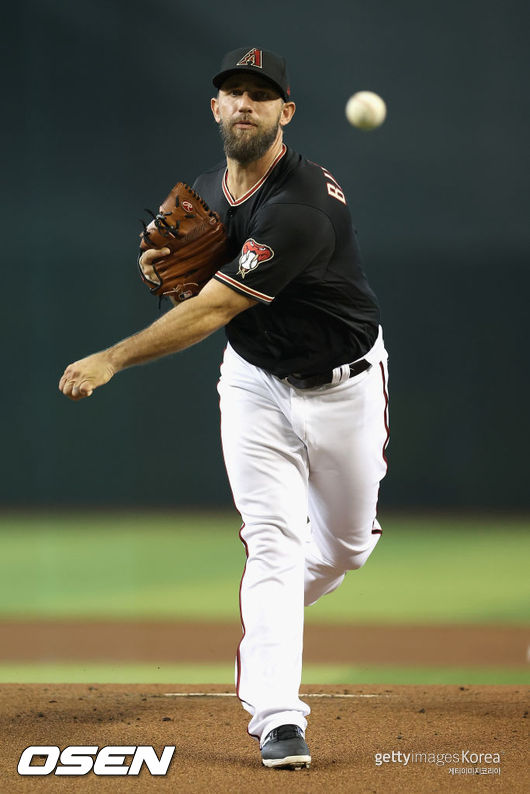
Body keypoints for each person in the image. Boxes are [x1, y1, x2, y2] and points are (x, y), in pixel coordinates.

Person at [59, 47, 390, 770]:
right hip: (253, 383)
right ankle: (278, 716)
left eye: (261, 95)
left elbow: (212, 308)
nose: (245, 104)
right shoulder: (210, 190)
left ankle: (263, 624)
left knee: (346, 550)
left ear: (285, 113)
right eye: (234, 93)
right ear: (216, 107)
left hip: (345, 387)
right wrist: (160, 269)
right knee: (271, 542)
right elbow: (194, 282)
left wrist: (112, 357)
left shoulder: (301, 206)